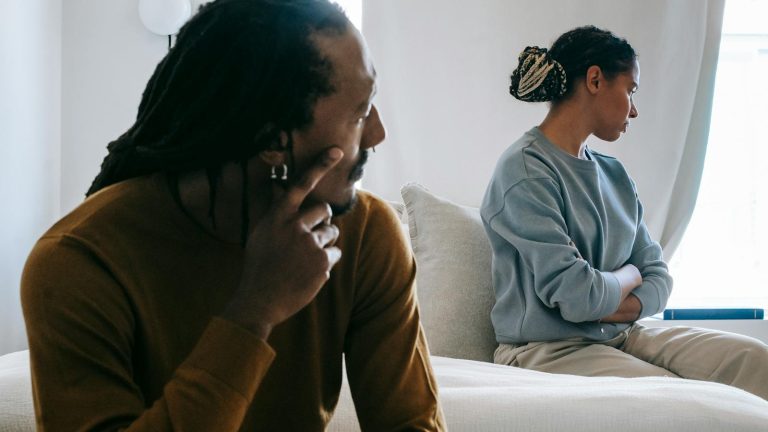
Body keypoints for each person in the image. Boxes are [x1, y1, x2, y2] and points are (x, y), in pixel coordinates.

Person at [21, 0, 446, 430]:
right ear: (272, 142)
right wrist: (254, 311)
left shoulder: (366, 234)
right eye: (360, 113)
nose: (377, 133)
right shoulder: (79, 261)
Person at [481, 25, 768, 400]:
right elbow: (578, 296)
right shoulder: (525, 171)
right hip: (548, 350)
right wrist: (629, 274)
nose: (634, 109)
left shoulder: (613, 173)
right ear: (595, 80)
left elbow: (658, 279)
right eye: (630, 90)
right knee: (676, 397)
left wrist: (603, 302)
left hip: (622, 334)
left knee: (754, 360)